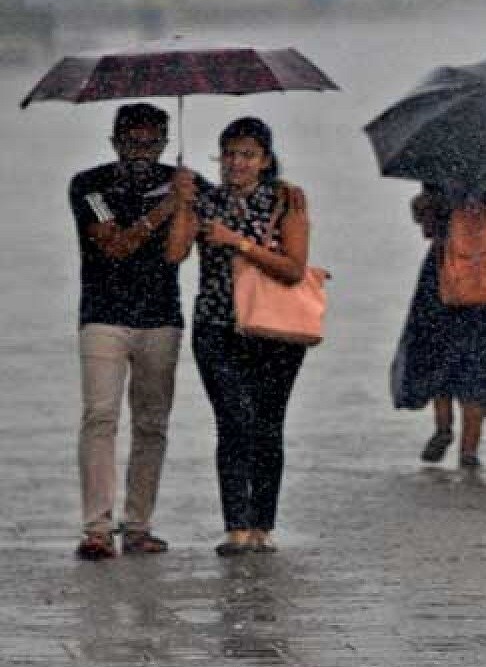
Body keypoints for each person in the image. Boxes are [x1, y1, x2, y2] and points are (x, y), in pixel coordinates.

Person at [166, 117, 312, 556]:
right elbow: (174, 253)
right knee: (233, 420)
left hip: (276, 330)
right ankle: (235, 528)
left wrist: (239, 243)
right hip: (216, 325)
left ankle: (262, 527)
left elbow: (294, 269)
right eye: (229, 153)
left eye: (247, 154)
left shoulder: (286, 200)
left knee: (268, 425)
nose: (236, 163)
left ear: (265, 160)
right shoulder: (205, 199)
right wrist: (182, 204)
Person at [68, 102, 196, 560]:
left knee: (151, 425)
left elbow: (181, 253)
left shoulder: (185, 183)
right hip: (103, 317)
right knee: (100, 418)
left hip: (161, 318)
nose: (141, 151)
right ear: (115, 142)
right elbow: (116, 244)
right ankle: (97, 528)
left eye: (150, 141)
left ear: (164, 141)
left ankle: (138, 526)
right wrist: (168, 206)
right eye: (131, 141)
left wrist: (188, 201)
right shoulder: (90, 185)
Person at [391, 182, 486, 468]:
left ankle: (443, 427)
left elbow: (426, 223)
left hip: (441, 276)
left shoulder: (440, 166)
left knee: (438, 356)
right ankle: (469, 450)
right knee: (477, 366)